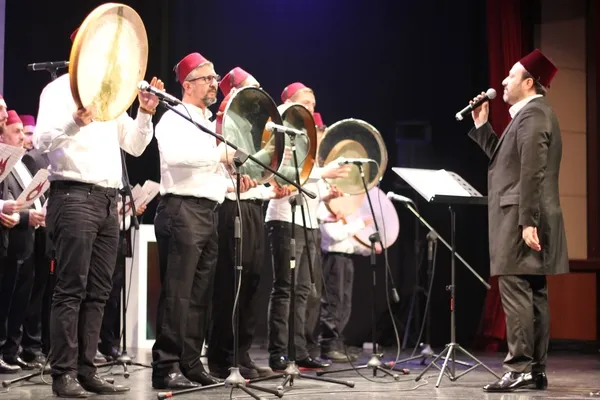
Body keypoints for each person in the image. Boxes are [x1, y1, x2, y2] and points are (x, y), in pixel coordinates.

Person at [33, 27, 163, 394]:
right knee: (70, 288)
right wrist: (74, 121)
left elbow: (134, 146)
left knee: (99, 291)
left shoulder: (112, 94)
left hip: (108, 202)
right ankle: (63, 373)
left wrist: (144, 113)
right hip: (73, 196)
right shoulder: (59, 90)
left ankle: (87, 370)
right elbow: (41, 140)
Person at [151, 52, 256, 390]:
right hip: (181, 211)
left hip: (208, 211)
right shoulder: (173, 118)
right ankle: (165, 366)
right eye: (208, 79)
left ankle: (191, 362)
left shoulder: (211, 124)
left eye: (214, 78)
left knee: (199, 296)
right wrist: (220, 155)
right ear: (188, 85)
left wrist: (233, 178)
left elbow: (211, 170)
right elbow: (177, 158)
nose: (214, 84)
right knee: (178, 294)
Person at [468, 48, 568, 392]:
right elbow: (507, 164)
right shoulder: (530, 115)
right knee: (534, 293)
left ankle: (520, 367)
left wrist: (527, 221)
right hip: (526, 214)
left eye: (510, 76)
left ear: (528, 83)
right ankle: (535, 369)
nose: (502, 82)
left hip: (522, 217)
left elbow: (532, 171)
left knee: (517, 291)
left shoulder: (534, 115)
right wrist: (482, 126)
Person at [207, 66, 289, 380]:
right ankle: (221, 357)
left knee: (252, 281)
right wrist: (266, 153)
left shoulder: (254, 125)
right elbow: (228, 165)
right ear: (233, 91)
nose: (258, 93)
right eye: (251, 87)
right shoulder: (223, 122)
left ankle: (242, 354)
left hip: (252, 205)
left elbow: (257, 171)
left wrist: (269, 179)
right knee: (231, 282)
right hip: (230, 207)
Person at [265, 83, 349, 371]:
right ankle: (279, 352)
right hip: (284, 220)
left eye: (313, 103)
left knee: (303, 290)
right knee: (285, 289)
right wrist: (325, 172)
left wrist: (324, 194)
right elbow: (287, 172)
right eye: (306, 102)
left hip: (307, 222)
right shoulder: (280, 131)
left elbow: (305, 180)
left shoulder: (305, 137)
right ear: (288, 102)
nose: (311, 108)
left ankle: (299, 350)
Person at [0, 111, 42, 373]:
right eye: (16, 132)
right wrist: (27, 216)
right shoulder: (4, 163)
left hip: (28, 240)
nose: (22, 137)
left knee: (20, 302)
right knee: (6, 301)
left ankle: (12, 351)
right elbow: (9, 203)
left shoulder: (23, 163)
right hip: (12, 238)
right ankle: (4, 350)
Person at [317, 199, 377, 362]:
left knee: (344, 305)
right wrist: (360, 223)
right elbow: (335, 235)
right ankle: (328, 346)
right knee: (333, 302)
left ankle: (337, 344)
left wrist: (368, 248)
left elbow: (350, 242)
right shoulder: (325, 207)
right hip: (333, 259)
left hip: (346, 259)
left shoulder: (346, 210)